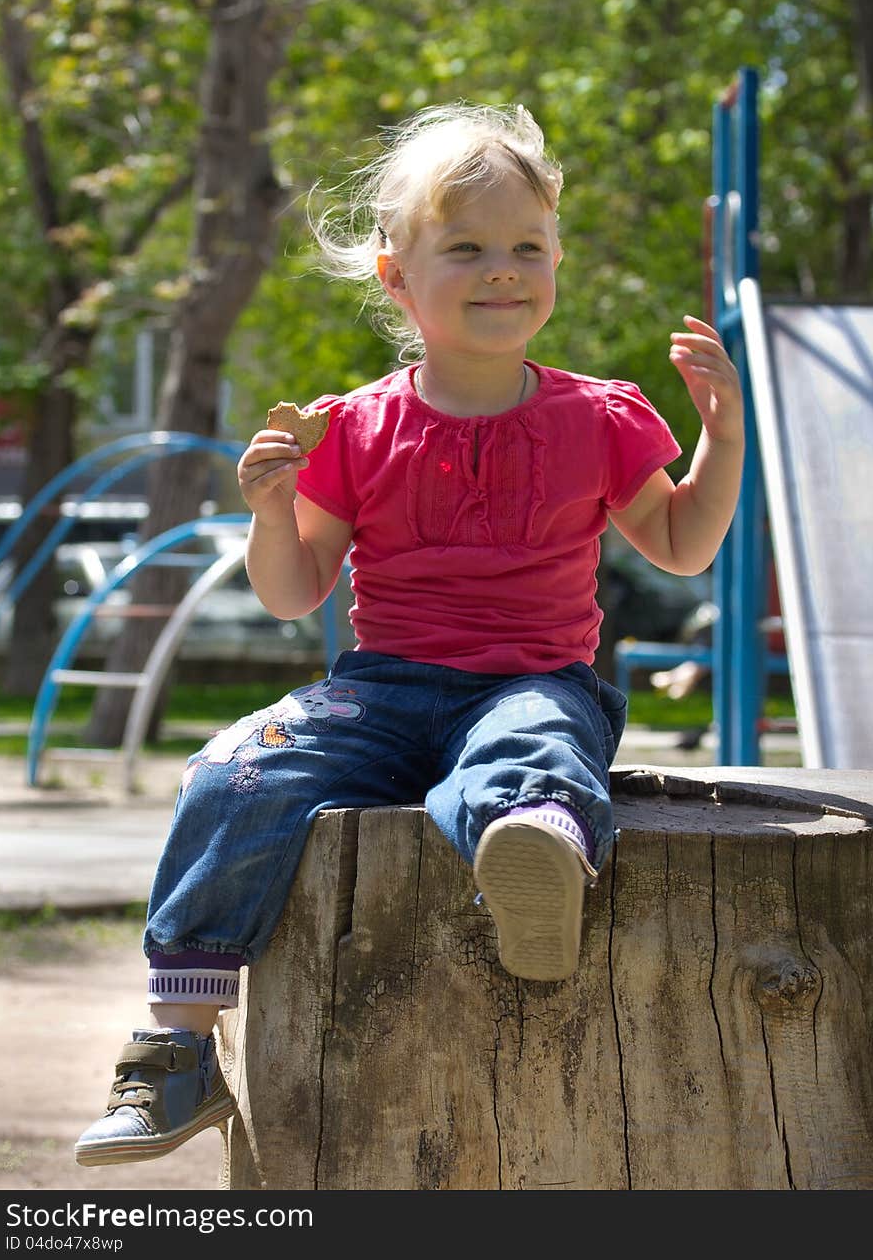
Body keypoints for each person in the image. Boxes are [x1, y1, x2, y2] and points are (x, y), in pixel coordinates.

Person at [74, 101, 743, 1167]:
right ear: (396, 276)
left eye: (527, 246)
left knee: (531, 752)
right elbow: (295, 590)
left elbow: (679, 543)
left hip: (534, 677)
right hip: (380, 685)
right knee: (235, 773)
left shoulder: (599, 417)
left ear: (557, 261)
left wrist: (721, 438)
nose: (502, 269)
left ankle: (534, 861)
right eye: (466, 247)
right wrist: (270, 508)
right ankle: (176, 1051)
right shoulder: (355, 426)